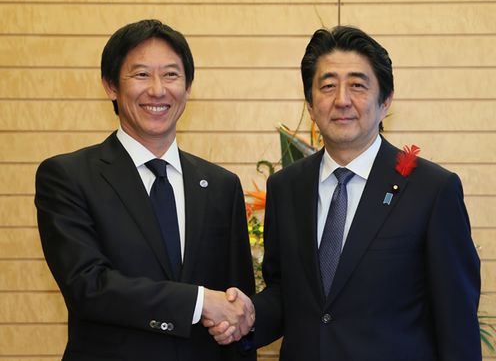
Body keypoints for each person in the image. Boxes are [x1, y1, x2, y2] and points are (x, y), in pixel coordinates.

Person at [208, 26, 482, 360]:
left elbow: (457, 324)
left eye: (357, 85)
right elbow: (286, 294)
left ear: (385, 102)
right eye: (327, 86)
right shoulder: (285, 187)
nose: (341, 100)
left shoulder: (432, 190)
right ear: (310, 104)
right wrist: (247, 316)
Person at [35, 19, 255, 361]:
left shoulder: (221, 186)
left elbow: (235, 306)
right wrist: (198, 302)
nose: (157, 90)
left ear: (188, 86)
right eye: (141, 75)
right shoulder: (67, 177)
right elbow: (87, 286)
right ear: (111, 85)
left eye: (170, 75)